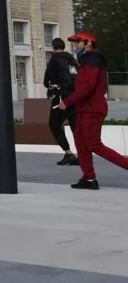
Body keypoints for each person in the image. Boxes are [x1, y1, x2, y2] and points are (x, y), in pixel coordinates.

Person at [59, 32, 128, 189]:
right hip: (85, 108)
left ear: (88, 42)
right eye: (75, 42)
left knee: (94, 145)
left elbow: (87, 86)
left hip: (93, 109)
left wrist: (68, 101)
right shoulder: (86, 60)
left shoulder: (94, 59)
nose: (75, 45)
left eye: (78, 42)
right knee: (81, 144)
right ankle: (89, 179)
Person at [43, 37, 80, 166]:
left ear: (53, 47)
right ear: (63, 47)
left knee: (54, 124)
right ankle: (83, 155)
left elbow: (48, 79)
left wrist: (49, 86)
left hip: (61, 98)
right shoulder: (72, 59)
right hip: (75, 97)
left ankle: (68, 153)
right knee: (76, 126)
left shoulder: (54, 59)